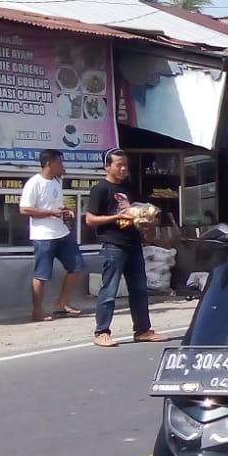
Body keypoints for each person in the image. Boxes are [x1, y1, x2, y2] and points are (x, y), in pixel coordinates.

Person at [85, 149, 165, 348]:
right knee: (109, 290)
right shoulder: (101, 189)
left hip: (133, 244)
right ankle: (102, 332)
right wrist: (117, 218)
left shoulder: (129, 187)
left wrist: (147, 219)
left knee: (139, 290)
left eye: (125, 165)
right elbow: (90, 219)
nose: (123, 169)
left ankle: (143, 330)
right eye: (118, 165)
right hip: (113, 246)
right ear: (107, 166)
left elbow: (137, 209)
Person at [21, 149, 84, 322]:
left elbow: (57, 206)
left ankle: (62, 302)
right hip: (43, 236)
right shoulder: (34, 183)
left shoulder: (56, 181)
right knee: (42, 274)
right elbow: (24, 209)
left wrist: (66, 211)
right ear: (48, 163)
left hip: (62, 232)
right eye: (59, 162)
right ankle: (37, 311)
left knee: (77, 266)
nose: (62, 166)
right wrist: (50, 213)